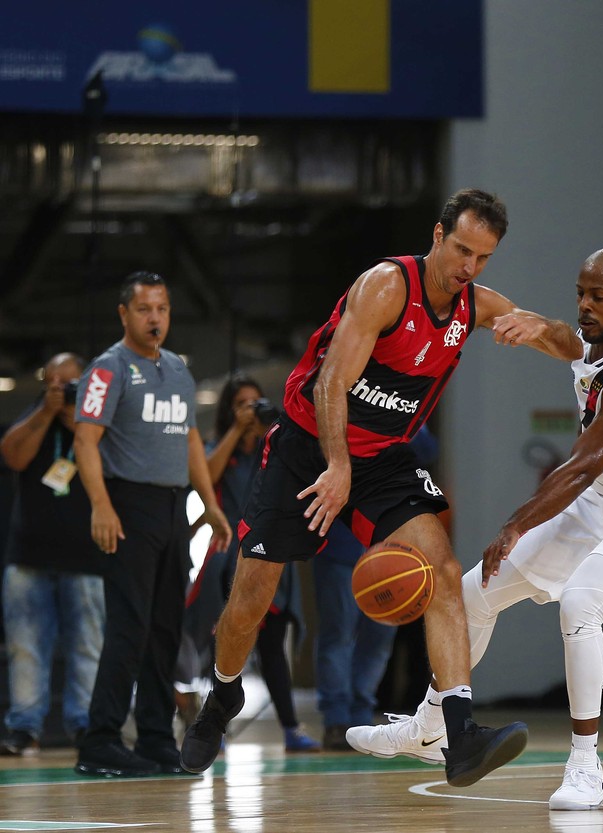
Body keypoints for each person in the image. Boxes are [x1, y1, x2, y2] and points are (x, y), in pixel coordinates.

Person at [180, 188, 582, 786]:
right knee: (251, 599)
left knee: (444, 568)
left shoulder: (478, 304)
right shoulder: (387, 286)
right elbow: (330, 385)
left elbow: (573, 349)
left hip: (383, 458)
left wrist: (542, 326)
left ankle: (460, 734)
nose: (469, 267)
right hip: (307, 446)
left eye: (483, 258)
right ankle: (223, 696)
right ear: (438, 236)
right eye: (462, 250)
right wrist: (336, 466)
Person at [347, 247, 603, 811]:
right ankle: (431, 726)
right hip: (599, 501)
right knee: (472, 594)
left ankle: (586, 765)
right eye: (581, 293)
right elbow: (574, 344)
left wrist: (515, 525)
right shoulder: (599, 338)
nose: (586, 306)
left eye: (599, 297)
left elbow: (583, 464)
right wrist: (540, 325)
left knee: (582, 603)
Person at [73, 271, 232, 778]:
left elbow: (189, 443)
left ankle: (157, 738)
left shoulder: (179, 373)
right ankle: (100, 740)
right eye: (144, 309)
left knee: (166, 628)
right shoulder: (107, 369)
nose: (155, 318)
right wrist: (101, 505)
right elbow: (85, 441)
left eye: (161, 309)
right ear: (124, 314)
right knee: (129, 627)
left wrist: (208, 504)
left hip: (172, 508)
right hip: (127, 505)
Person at [182, 374, 320, 752]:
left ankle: (291, 728)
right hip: (228, 552)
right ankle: (216, 728)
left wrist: (264, 427)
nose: (250, 409)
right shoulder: (218, 446)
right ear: (229, 408)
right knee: (223, 639)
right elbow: (204, 479)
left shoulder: (276, 445)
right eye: (242, 403)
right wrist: (235, 432)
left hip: (271, 549)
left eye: (256, 402)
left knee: (273, 644)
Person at [0, 353, 108, 756]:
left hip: (86, 556)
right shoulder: (34, 418)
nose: (62, 389)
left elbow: (115, 465)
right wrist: (46, 413)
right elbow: (13, 455)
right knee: (26, 646)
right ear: (45, 383)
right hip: (29, 556)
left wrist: (79, 422)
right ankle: (24, 728)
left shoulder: (96, 426)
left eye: (71, 382)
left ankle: (85, 726)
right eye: (55, 381)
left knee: (87, 646)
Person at [314, 425, 439, 751]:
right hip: (340, 548)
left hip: (389, 553)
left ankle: (360, 713)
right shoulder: (337, 412)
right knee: (337, 636)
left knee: (379, 641)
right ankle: (336, 718)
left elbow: (427, 450)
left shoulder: (400, 415)